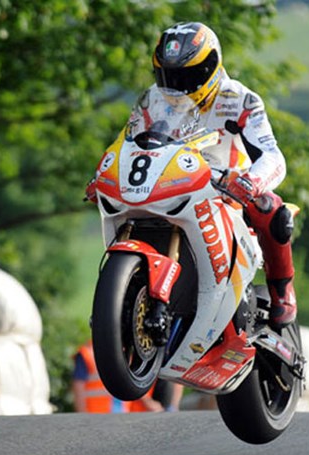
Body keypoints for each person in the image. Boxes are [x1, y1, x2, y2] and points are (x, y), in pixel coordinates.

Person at [86, 22, 296, 327]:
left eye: (187, 77)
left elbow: (272, 156)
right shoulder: (151, 99)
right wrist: (102, 175)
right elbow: (126, 142)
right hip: (168, 182)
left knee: (272, 210)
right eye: (168, 76)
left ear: (210, 66)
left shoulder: (241, 100)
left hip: (226, 187)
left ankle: (282, 291)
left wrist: (251, 182)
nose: (176, 88)